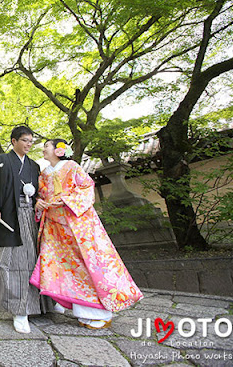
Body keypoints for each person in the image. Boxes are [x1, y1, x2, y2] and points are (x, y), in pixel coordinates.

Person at [30, 139, 143, 329]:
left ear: (59, 150)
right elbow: (41, 196)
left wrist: (65, 199)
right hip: (56, 227)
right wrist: (38, 203)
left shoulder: (72, 167)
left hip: (78, 222)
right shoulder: (43, 175)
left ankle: (100, 311)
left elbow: (86, 188)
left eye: (46, 146)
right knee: (65, 266)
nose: (43, 150)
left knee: (89, 263)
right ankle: (83, 311)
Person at [0, 125, 52, 334]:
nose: (29, 144)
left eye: (31, 141)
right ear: (14, 141)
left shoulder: (33, 166)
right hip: (9, 216)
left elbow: (40, 192)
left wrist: (39, 201)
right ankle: (19, 310)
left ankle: (36, 305)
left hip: (30, 217)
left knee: (32, 260)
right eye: (25, 140)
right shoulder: (0, 162)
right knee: (9, 262)